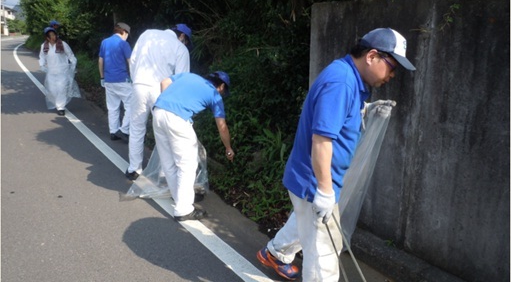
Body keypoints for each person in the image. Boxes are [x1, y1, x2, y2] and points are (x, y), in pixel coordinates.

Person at [256, 28, 416, 281]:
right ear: (372, 55)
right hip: (315, 180)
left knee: (306, 221)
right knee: (325, 254)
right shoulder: (341, 83)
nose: (393, 74)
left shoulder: (349, 78)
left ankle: (275, 253)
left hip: (314, 179)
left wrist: (367, 111)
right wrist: (324, 190)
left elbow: (339, 119)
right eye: (392, 65)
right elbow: (321, 140)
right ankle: (279, 253)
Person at [153, 71, 235, 221]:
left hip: (158, 112)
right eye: (224, 91)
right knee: (188, 164)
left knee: (168, 162)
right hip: (177, 119)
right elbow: (222, 126)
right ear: (221, 86)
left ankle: (178, 197)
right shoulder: (215, 95)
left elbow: (164, 82)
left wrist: (168, 106)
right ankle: (183, 210)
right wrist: (228, 148)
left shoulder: (189, 76)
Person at [125, 24, 193, 180]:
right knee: (165, 132)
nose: (186, 45)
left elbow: (133, 60)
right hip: (162, 91)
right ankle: (164, 172)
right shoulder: (180, 49)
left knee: (136, 127)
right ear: (182, 36)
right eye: (186, 41)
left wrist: (136, 81)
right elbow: (181, 81)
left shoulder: (147, 33)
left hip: (139, 85)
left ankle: (134, 169)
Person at [98, 22, 133, 142]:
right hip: (122, 80)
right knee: (131, 105)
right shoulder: (124, 44)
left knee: (112, 107)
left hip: (108, 80)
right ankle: (124, 130)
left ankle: (113, 132)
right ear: (124, 32)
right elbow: (130, 62)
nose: (127, 36)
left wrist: (102, 77)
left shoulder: (105, 42)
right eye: (127, 34)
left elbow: (101, 61)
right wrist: (133, 78)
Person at [39, 27, 81, 116]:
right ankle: (57, 103)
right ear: (47, 37)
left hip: (63, 71)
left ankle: (60, 107)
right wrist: (42, 65)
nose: (53, 37)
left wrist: (73, 64)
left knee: (61, 89)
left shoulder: (62, 44)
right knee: (52, 90)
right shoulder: (44, 46)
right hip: (51, 72)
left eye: (54, 35)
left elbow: (70, 55)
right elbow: (42, 57)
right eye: (50, 36)